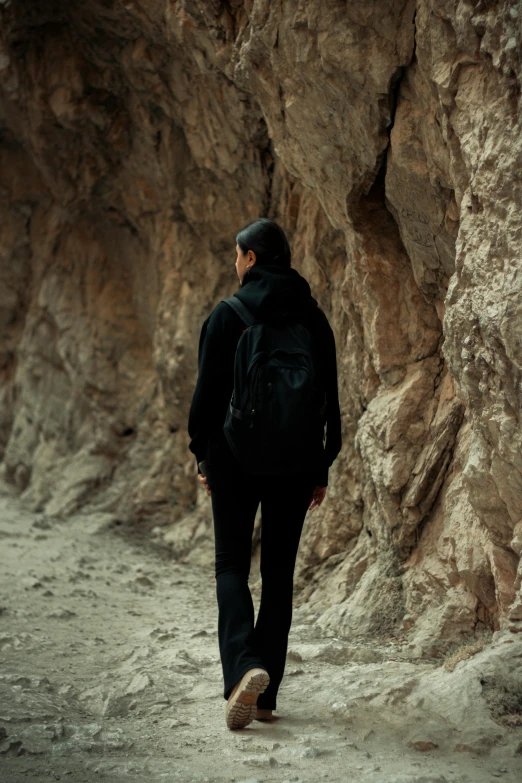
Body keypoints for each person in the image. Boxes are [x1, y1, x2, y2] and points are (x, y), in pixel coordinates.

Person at [187, 218, 342, 730]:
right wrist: (322, 465)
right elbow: (329, 402)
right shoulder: (314, 319)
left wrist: (203, 457)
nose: (235, 263)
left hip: (234, 458)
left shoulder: (228, 314)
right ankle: (267, 695)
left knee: (231, 565)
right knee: (278, 575)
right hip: (296, 462)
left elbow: (206, 399)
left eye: (237, 255)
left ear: (251, 258)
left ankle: (243, 670)